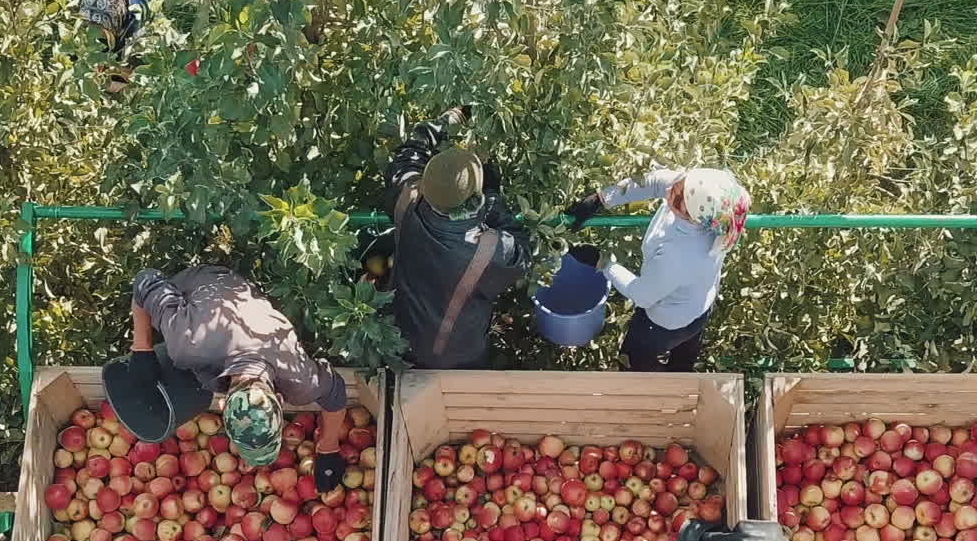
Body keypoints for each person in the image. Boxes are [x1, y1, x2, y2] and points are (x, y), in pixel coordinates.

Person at [128, 266, 348, 490]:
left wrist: (329, 446)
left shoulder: (299, 376)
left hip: (236, 301)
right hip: (203, 287)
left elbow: (336, 391)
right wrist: (142, 349)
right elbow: (145, 280)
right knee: (179, 361)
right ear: (279, 400)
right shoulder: (186, 341)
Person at [383, 107, 531, 369]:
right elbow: (523, 253)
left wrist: (448, 120)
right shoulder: (491, 249)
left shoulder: (406, 198)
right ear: (476, 197)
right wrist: (494, 198)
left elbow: (409, 155)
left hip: (400, 334)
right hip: (458, 354)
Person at [565, 167, 749, 372]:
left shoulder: (679, 253)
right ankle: (681, 375)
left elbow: (642, 295)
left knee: (636, 363)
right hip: (700, 308)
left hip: (664, 325)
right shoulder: (717, 208)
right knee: (683, 363)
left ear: (691, 214)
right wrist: (602, 198)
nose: (671, 188)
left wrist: (602, 262)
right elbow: (655, 182)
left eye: (677, 194)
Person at [77, 0, 150, 95]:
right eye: (88, 25)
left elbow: (136, 84)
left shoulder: (143, 45)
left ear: (118, 22)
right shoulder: (82, 34)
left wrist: (113, 71)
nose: (92, 37)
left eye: (102, 40)